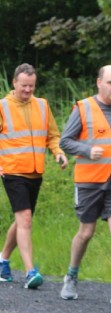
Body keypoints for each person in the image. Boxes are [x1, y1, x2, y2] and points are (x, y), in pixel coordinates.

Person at [59, 65, 111, 306]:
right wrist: (87, 150)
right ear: (99, 83)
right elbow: (65, 140)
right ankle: (71, 276)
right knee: (86, 233)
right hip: (89, 180)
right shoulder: (84, 107)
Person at [0, 63, 68, 288]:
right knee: (25, 219)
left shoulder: (42, 105)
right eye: (24, 86)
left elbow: (52, 136)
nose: (28, 90)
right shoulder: (3, 106)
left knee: (22, 221)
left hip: (35, 172)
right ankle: (30, 272)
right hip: (12, 171)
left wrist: (58, 153)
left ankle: (2, 260)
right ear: (14, 83)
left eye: (32, 86)